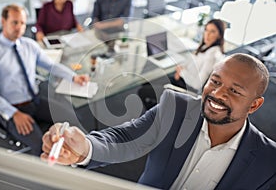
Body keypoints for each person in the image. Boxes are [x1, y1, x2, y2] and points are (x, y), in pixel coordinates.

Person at [41, 53, 276, 189]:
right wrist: (83, 148)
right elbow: (124, 139)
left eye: (234, 91)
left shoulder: (269, 162)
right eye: (215, 82)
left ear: (254, 105)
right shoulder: (175, 107)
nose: (217, 94)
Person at [0, 4, 89, 156]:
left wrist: (73, 76)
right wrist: (14, 114)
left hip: (34, 101)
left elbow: (51, 66)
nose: (19, 27)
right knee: (43, 148)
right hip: (12, 109)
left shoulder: (29, 45)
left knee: (73, 120)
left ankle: (77, 161)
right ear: (3, 22)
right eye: (15, 22)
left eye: (23, 23)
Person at [139, 19, 225, 110]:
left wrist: (182, 72)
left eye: (212, 32)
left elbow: (197, 85)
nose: (207, 35)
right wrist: (181, 71)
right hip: (182, 79)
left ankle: (158, 117)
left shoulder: (212, 55)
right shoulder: (207, 47)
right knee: (146, 82)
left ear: (219, 35)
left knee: (143, 91)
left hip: (186, 88)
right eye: (206, 30)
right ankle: (161, 110)